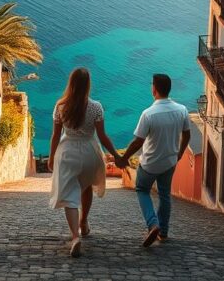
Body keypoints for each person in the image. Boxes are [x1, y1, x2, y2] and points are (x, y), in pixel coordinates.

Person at [48, 67, 122, 258]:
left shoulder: (61, 106)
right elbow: (103, 136)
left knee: (68, 195)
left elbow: (56, 136)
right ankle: (84, 222)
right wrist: (116, 154)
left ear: (71, 84)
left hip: (68, 152)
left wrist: (51, 157)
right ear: (88, 84)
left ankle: (74, 236)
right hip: (90, 152)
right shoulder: (96, 106)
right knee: (86, 186)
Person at [116, 74, 191, 248]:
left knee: (142, 189)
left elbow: (138, 142)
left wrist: (124, 158)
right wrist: (179, 154)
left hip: (149, 163)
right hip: (169, 162)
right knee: (165, 195)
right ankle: (163, 232)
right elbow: (187, 134)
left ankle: (153, 224)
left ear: (154, 89)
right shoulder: (182, 110)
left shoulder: (148, 114)